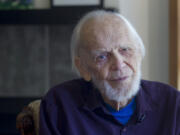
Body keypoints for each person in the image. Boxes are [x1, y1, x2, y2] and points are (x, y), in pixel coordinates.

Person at [39, 10, 180, 135]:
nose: (119, 64)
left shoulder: (173, 104)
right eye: (102, 56)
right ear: (83, 67)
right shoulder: (58, 106)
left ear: (140, 52)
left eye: (125, 50)